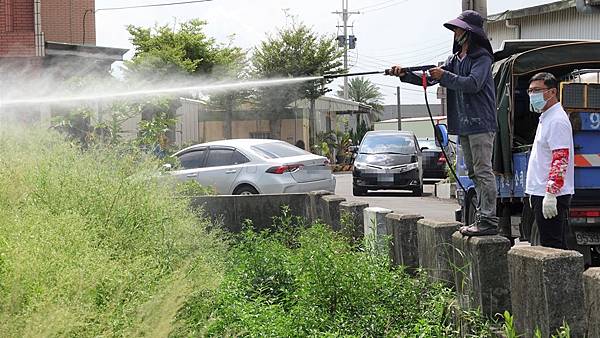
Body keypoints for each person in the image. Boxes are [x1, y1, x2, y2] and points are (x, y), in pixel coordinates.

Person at [389, 10, 498, 236]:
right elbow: (428, 78)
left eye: (459, 29)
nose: (455, 33)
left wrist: (443, 76)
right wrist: (403, 74)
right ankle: (481, 216)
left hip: (481, 124)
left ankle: (488, 219)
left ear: (468, 33)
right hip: (464, 125)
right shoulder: (453, 60)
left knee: (483, 170)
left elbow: (473, 83)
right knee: (474, 173)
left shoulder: (482, 58)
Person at [525, 72, 574, 249]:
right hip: (542, 192)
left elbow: (560, 159)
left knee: (552, 247)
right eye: (530, 91)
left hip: (551, 194)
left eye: (537, 90)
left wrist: (551, 194)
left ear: (552, 92)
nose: (532, 95)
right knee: (556, 245)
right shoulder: (546, 117)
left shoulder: (556, 121)